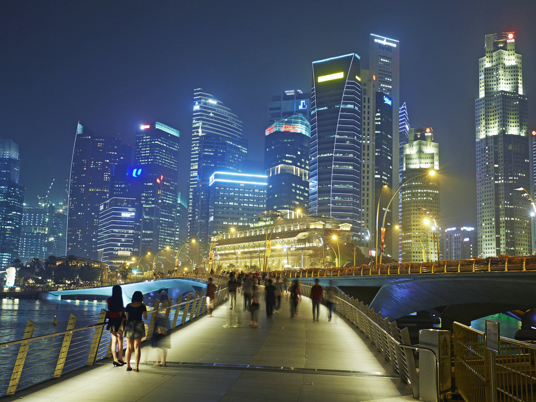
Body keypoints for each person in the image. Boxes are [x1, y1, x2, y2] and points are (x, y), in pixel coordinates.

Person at [124, 291, 147, 372]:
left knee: (129, 347)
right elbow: (145, 317)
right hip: (139, 325)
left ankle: (128, 366)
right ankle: (136, 367)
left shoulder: (128, 306)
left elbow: (127, 318)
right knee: (137, 347)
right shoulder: (142, 306)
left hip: (130, 325)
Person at [107, 285, 125, 367]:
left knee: (114, 341)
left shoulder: (109, 300)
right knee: (120, 340)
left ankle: (115, 359)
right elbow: (121, 312)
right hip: (119, 320)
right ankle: (120, 358)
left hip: (111, 321)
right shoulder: (120, 300)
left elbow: (109, 309)